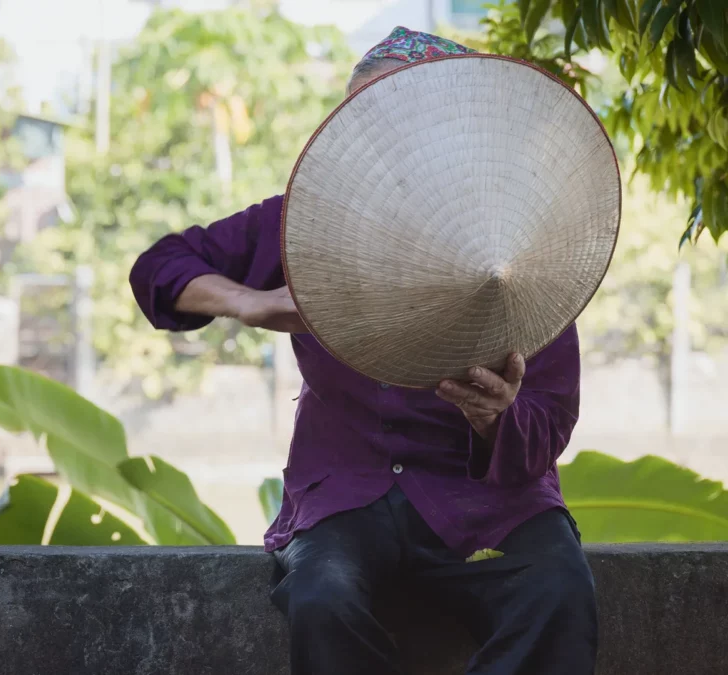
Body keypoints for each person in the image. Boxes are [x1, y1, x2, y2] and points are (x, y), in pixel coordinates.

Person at [128, 26, 597, 675]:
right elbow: (160, 266)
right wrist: (253, 302)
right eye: (363, 124)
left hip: (488, 501)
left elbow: (548, 421)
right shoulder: (299, 220)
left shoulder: (519, 246)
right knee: (325, 597)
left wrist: (496, 419)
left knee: (559, 593)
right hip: (345, 488)